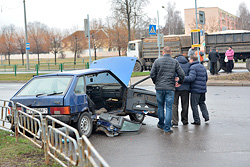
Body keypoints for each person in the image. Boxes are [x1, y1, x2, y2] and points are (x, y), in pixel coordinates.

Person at [150, 46, 185, 134]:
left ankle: (161, 124)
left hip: (159, 88)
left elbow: (152, 74)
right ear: (170, 52)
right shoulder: (174, 62)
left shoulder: (157, 61)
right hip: (170, 88)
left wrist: (156, 82)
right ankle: (167, 128)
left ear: (163, 52)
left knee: (160, 107)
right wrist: (179, 82)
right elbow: (182, 74)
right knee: (169, 108)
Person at [178, 55, 209, 125]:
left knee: (194, 105)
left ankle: (197, 120)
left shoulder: (193, 67)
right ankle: (206, 116)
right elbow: (206, 78)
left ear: (191, 60)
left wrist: (182, 79)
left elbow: (191, 78)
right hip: (203, 89)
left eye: (190, 60)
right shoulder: (202, 66)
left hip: (195, 90)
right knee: (202, 103)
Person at [172, 54, 190, 127]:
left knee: (174, 105)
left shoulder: (174, 64)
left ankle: (175, 121)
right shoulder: (188, 64)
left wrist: (175, 82)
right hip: (185, 88)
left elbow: (172, 75)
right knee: (185, 105)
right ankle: (185, 120)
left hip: (176, 88)